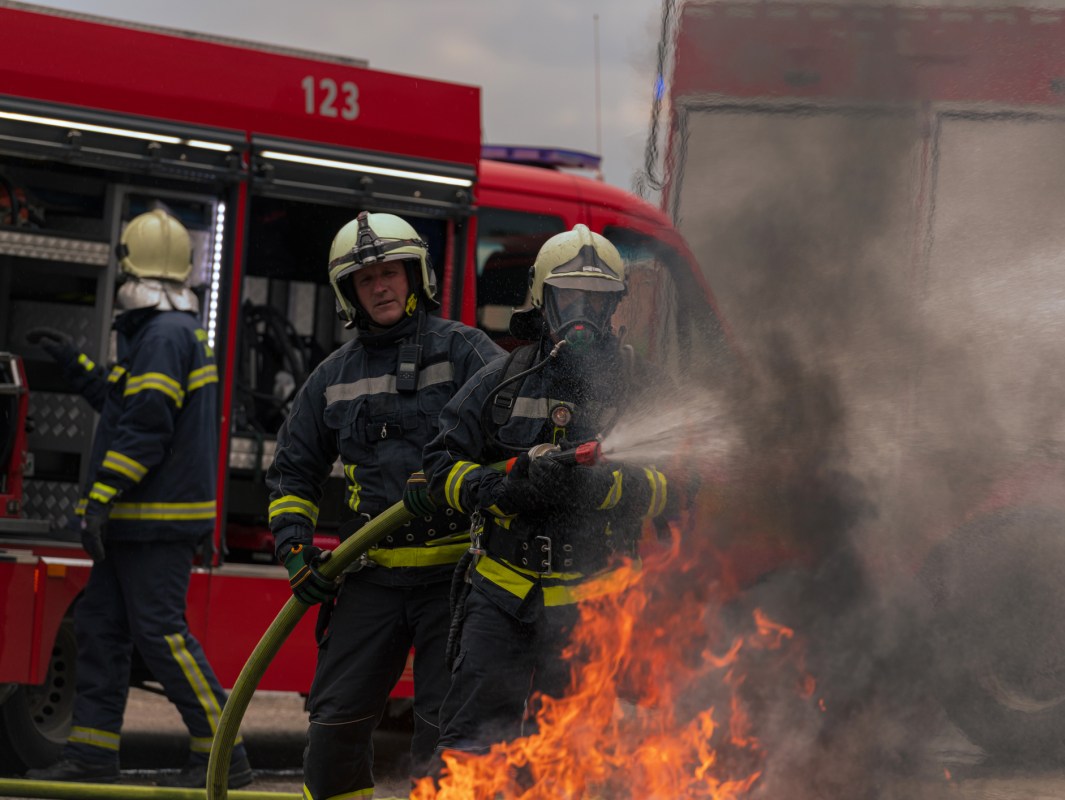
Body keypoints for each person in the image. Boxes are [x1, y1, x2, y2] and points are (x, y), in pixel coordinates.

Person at [424, 223, 684, 760]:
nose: (583, 311)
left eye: (597, 298)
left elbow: (682, 486)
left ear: (616, 305)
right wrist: (501, 486)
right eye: (570, 296)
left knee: (570, 759)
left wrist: (606, 489)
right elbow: (440, 468)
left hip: (594, 605)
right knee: (470, 750)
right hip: (498, 596)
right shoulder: (501, 381)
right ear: (545, 301)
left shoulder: (647, 389)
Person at [267, 211, 504, 798]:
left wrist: (452, 475)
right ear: (349, 293)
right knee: (334, 730)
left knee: (442, 736)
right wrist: (296, 550)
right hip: (369, 576)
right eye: (365, 279)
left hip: (454, 581)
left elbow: (512, 443)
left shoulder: (467, 352)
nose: (380, 287)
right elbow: (292, 471)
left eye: (390, 273)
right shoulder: (331, 378)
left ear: (414, 275)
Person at [23, 209, 253, 788]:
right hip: (136, 522)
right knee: (102, 630)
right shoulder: (159, 334)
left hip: (155, 523)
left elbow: (146, 430)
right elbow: (130, 405)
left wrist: (98, 497)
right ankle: (93, 754)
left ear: (133, 266)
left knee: (162, 635)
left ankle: (225, 753)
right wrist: (77, 369)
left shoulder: (164, 336)